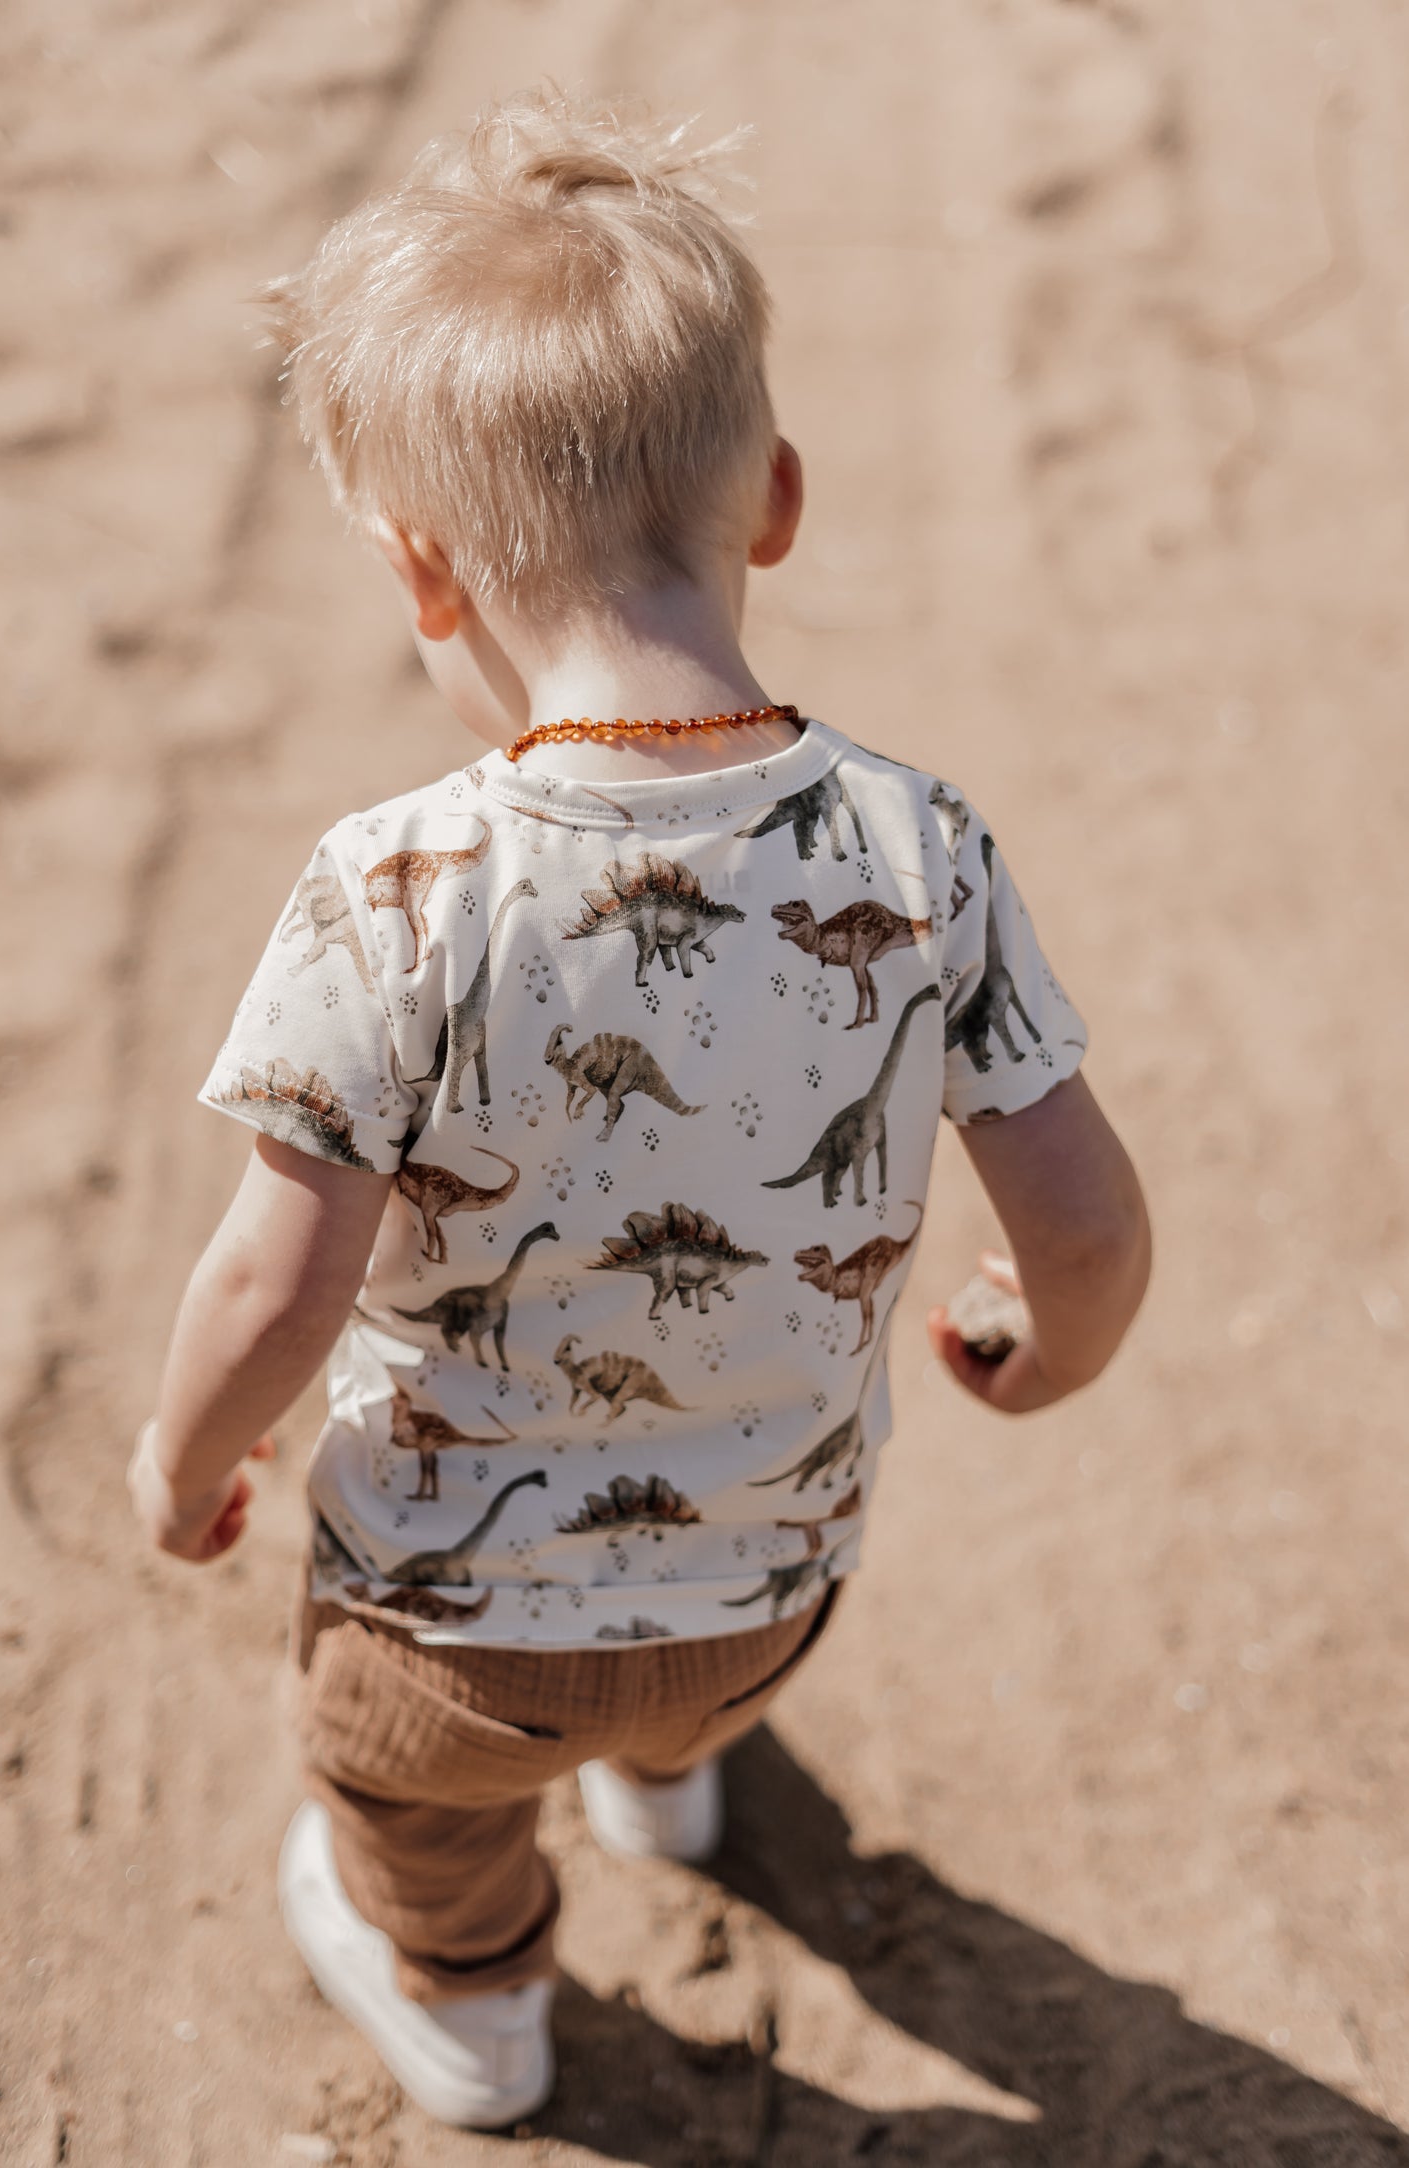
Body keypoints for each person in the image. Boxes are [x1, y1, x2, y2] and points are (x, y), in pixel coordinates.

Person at [129, 87, 1150, 2131]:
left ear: (428, 577)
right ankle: (672, 1783)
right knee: (676, 1696)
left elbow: (277, 1275)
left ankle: (477, 2006)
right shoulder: (919, 840)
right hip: (776, 1586)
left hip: (447, 1636)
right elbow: (1086, 1217)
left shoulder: (397, 888)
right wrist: (1044, 1355)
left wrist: (182, 1461)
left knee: (405, 1815)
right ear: (772, 498)